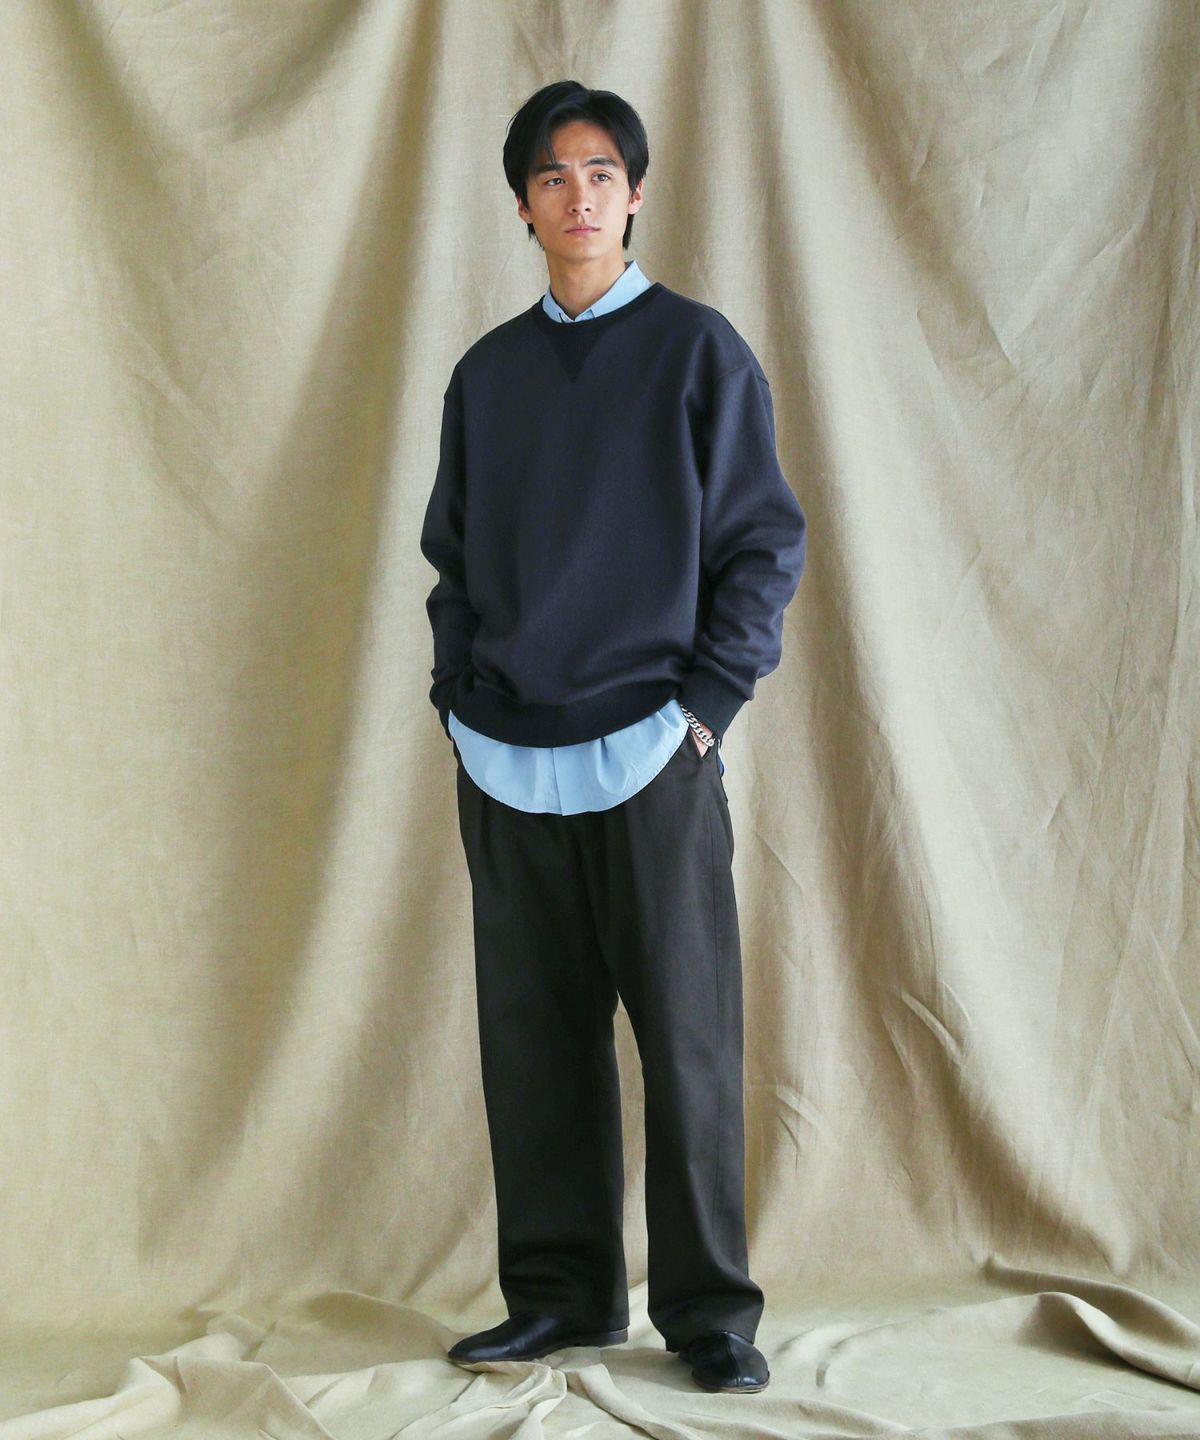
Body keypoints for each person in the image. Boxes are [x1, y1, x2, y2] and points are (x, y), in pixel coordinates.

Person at [419, 79, 806, 1395]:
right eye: (551, 175)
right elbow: (452, 560)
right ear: (523, 206)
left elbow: (762, 543)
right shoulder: (487, 376)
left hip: (654, 750)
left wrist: (705, 711)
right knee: (534, 1046)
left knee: (688, 1043)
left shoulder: (699, 353)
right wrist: (456, 695)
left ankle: (711, 1318)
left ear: (635, 195)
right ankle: (559, 1297)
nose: (577, 195)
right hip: (505, 754)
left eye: (599, 173)